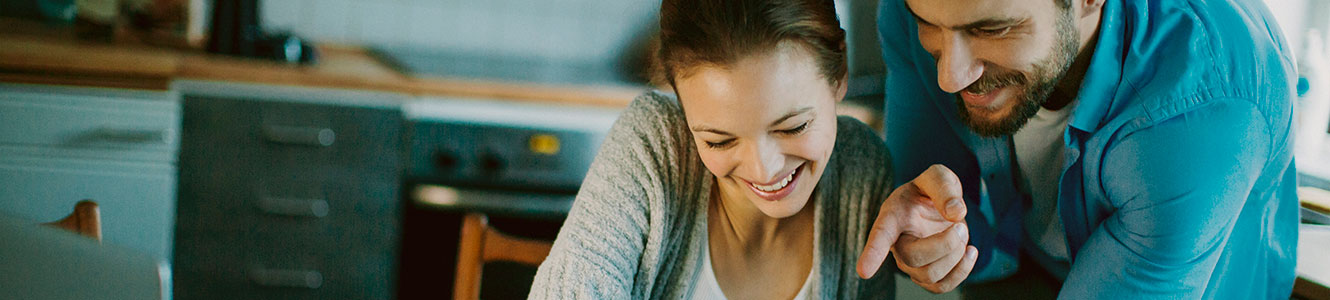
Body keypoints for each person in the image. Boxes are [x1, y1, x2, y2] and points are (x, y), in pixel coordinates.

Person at [857, 0, 1300, 298]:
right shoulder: (918, 7)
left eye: (993, 29)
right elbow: (944, 217)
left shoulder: (1201, 110)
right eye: (928, 25)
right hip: (1029, 269)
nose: (950, 78)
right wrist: (937, 240)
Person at [528, 0, 951, 298]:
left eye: (793, 126)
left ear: (839, 72)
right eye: (719, 140)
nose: (764, 168)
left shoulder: (861, 171)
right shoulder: (655, 144)